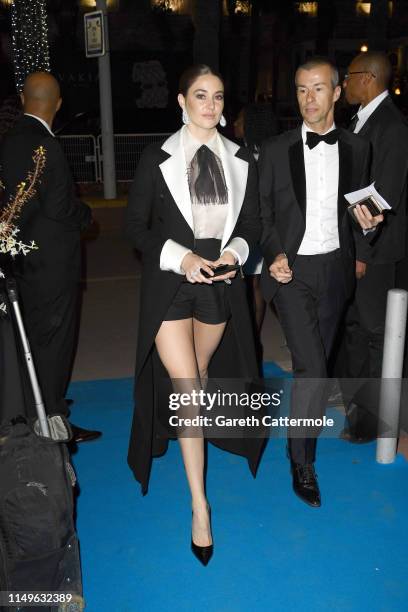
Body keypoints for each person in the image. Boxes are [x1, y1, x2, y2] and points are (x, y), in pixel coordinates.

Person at [125, 64, 263, 565]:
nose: (210, 105)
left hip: (219, 285)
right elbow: (135, 228)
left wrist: (237, 253)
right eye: (200, 95)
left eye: (218, 96)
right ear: (181, 101)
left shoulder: (242, 158)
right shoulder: (155, 157)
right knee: (186, 388)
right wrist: (179, 258)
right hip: (169, 285)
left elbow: (253, 225)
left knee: (200, 377)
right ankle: (200, 507)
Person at [258, 57, 382, 508]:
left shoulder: (356, 148)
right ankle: (301, 461)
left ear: (335, 92)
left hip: (335, 268)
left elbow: (361, 210)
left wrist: (365, 241)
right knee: (312, 367)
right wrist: (273, 254)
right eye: (300, 90)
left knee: (320, 364)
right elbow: (263, 215)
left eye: (317, 89)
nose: (308, 99)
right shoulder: (275, 150)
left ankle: (300, 449)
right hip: (290, 273)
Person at [0, 72, 101, 443]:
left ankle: (37, 403)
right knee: (54, 344)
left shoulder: (9, 140)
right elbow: (60, 209)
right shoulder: (47, 145)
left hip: (23, 262)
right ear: (58, 104)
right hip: (53, 267)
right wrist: (87, 214)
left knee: (32, 339)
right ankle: (54, 421)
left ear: (24, 98)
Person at [336, 51, 408, 442]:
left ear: (367, 78)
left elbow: (383, 197)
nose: (344, 85)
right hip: (359, 247)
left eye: (348, 77)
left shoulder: (392, 127)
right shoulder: (362, 119)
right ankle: (362, 417)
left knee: (374, 335)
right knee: (355, 334)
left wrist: (361, 251)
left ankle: (378, 423)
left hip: (376, 251)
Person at [233, 103, 278, 351]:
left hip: (253, 230)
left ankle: (251, 342)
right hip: (263, 230)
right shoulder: (269, 152)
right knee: (259, 285)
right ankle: (253, 340)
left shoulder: (246, 156)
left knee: (254, 285)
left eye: (240, 120)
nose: (236, 124)